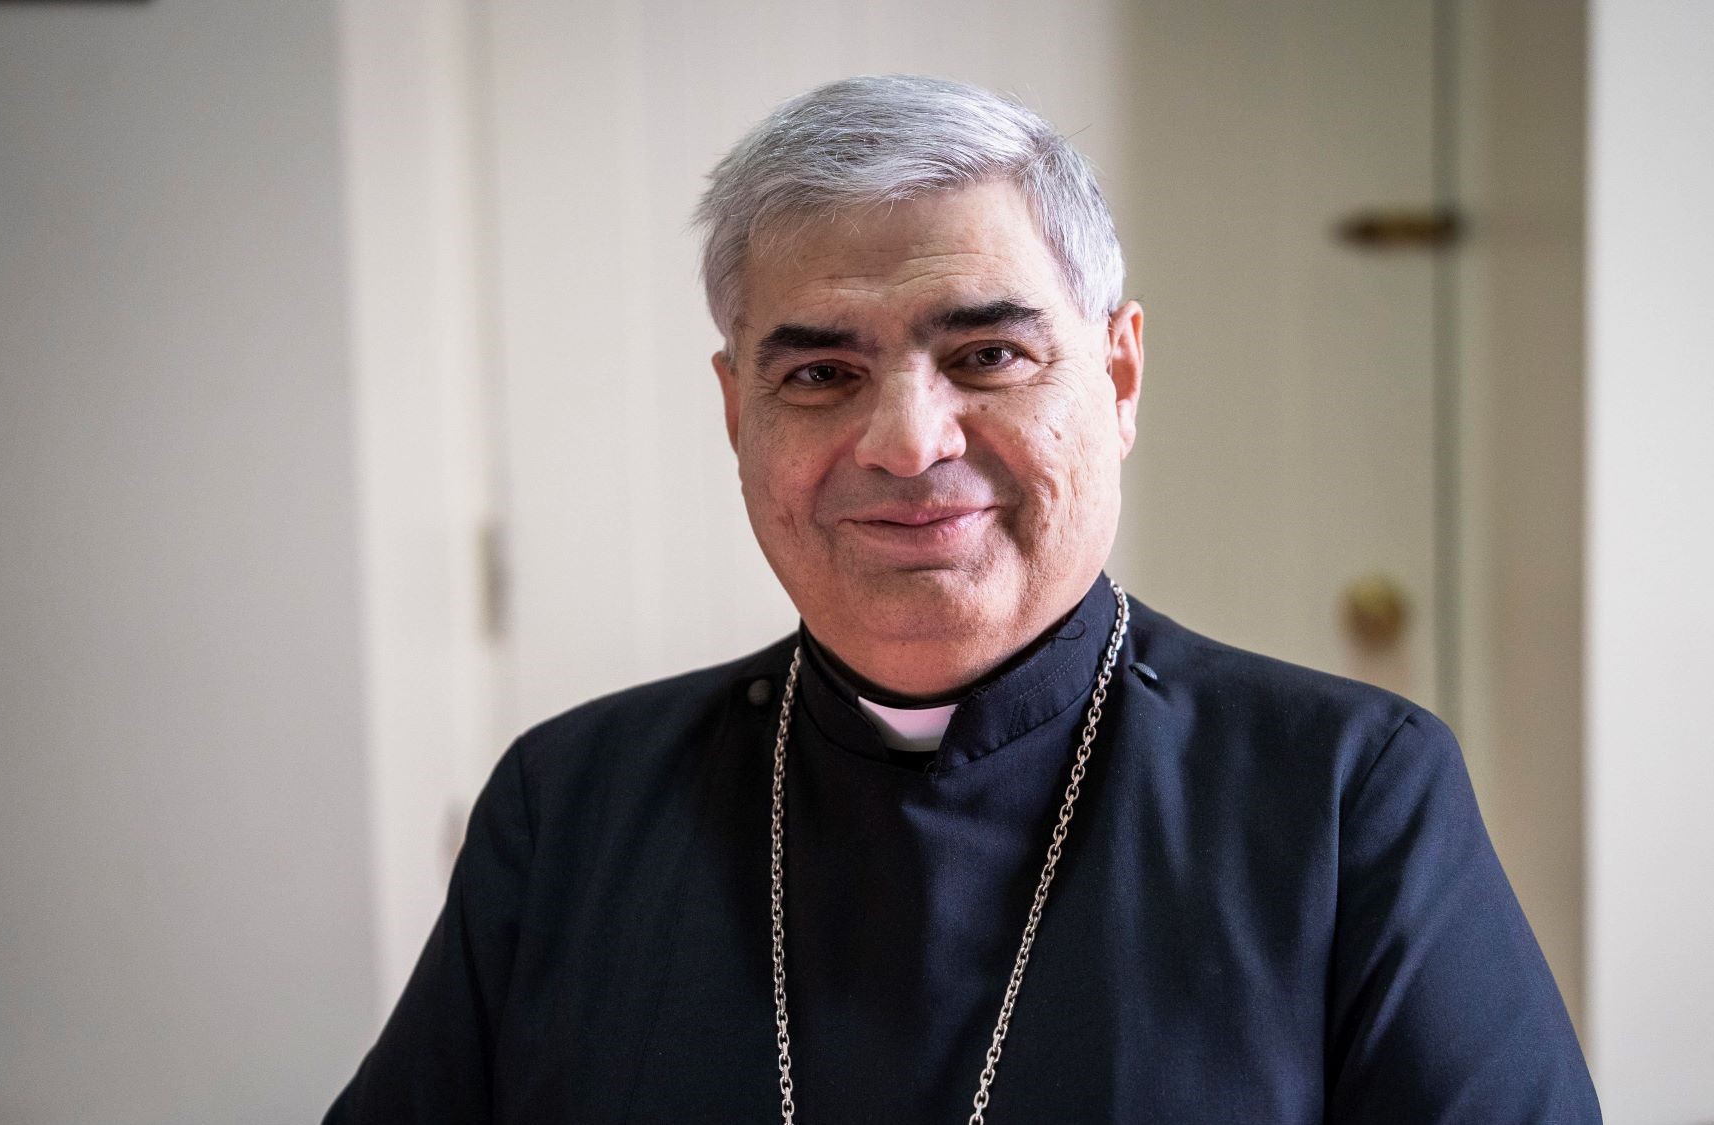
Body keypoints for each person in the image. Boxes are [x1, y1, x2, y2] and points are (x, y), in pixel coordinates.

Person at [325, 75, 1600, 1124]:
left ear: (1117, 374)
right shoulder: (573, 805)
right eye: (820, 372)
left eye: (986, 354)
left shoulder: (1344, 796)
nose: (904, 441)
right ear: (735, 414)